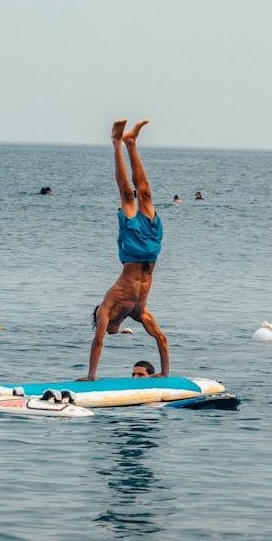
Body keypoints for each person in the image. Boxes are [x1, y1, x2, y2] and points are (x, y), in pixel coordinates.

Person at [80, 118, 169, 381]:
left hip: (133, 251)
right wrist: (92, 377)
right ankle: (125, 142)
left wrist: (165, 374)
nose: (108, 331)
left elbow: (98, 343)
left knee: (135, 194)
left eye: (105, 328)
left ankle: (122, 142)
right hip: (151, 251)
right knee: (138, 196)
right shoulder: (139, 312)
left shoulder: (105, 308)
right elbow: (161, 339)